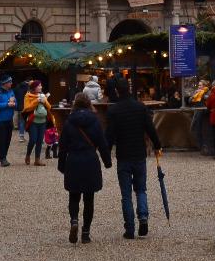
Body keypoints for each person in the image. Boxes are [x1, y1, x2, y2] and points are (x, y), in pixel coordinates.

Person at [105, 78, 162, 239]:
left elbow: (109, 135)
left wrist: (106, 155)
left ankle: (129, 227)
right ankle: (143, 216)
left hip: (123, 154)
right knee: (141, 189)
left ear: (117, 91)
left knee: (126, 194)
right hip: (139, 153)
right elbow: (150, 128)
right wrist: (157, 145)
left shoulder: (114, 110)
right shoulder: (140, 107)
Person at [57, 92, 111, 244]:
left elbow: (62, 147)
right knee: (89, 199)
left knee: (74, 196)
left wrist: (61, 165)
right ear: (88, 103)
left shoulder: (69, 121)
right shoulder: (95, 121)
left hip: (73, 160)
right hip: (90, 160)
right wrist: (107, 162)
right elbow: (102, 143)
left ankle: (74, 220)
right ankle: (86, 232)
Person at [0, 75, 19, 166]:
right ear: (5, 83)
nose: (11, 83)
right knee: (3, 139)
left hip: (9, 119)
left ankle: (5, 156)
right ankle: (2, 158)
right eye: (10, 82)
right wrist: (7, 104)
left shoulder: (11, 91)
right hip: (0, 120)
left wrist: (14, 104)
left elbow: (16, 103)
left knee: (8, 139)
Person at [23, 80, 52, 166]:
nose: (41, 87)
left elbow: (49, 107)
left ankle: (37, 160)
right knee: (33, 140)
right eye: (39, 86)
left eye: (41, 86)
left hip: (42, 121)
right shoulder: (28, 96)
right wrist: (37, 101)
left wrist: (44, 101)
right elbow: (26, 108)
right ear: (34, 87)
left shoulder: (42, 95)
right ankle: (28, 155)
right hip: (33, 122)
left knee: (39, 141)